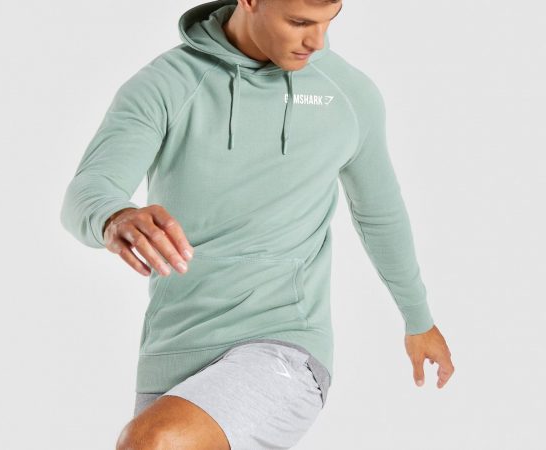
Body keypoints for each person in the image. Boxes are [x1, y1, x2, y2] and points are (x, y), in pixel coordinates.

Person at [60, 0, 455, 448]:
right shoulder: (167, 83)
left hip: (283, 342)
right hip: (170, 352)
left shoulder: (346, 95)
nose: (317, 41)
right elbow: (88, 189)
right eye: (299, 22)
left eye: (329, 21)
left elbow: (379, 215)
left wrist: (418, 319)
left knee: (155, 441)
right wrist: (114, 216)